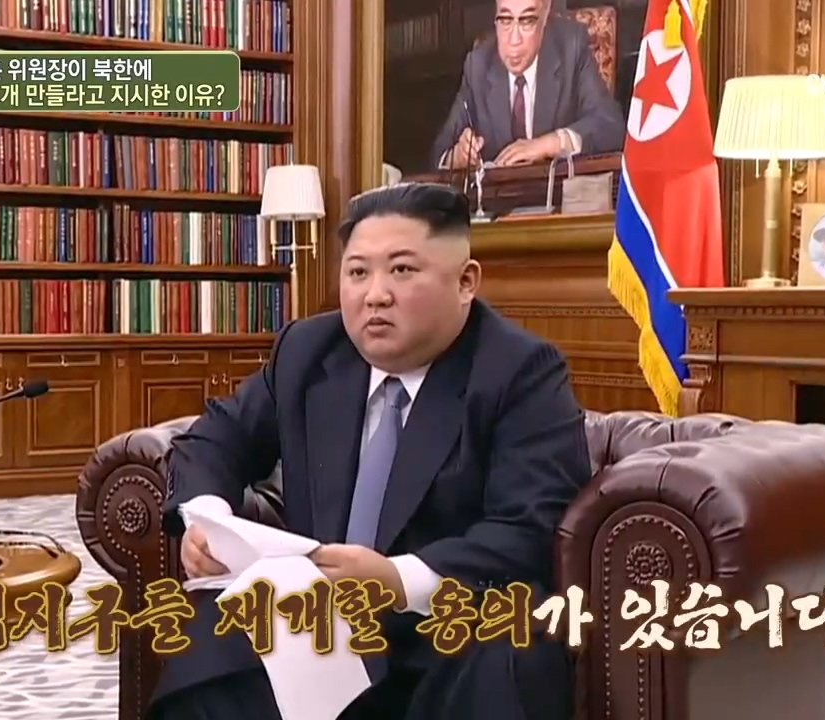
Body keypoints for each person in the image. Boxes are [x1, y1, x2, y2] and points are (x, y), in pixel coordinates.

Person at [151, 182, 592, 720]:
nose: (375, 295)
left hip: (443, 624)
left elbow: (529, 526)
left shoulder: (520, 371)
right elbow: (217, 436)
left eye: (401, 270)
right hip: (315, 617)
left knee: (511, 652)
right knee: (208, 653)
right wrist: (207, 518)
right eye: (358, 272)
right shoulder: (309, 350)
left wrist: (396, 579)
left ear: (465, 281)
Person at [429, 0, 626, 171]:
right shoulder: (479, 63)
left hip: (558, 196)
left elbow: (610, 126)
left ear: (545, 15)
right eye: (505, 20)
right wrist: (457, 157)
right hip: (499, 198)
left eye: (527, 21)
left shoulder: (571, 48)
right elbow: (439, 153)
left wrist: (550, 144)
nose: (514, 40)